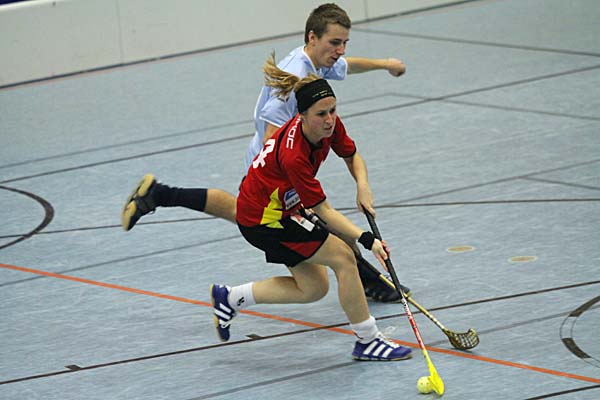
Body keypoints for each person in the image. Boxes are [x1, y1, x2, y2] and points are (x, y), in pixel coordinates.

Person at [121, 3, 409, 301]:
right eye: (335, 42)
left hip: (267, 161)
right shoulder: (296, 75)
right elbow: (274, 135)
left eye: (344, 43)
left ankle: (159, 194)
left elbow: (347, 65)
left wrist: (385, 64)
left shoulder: (316, 60)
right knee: (324, 225)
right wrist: (295, 192)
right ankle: (370, 282)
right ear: (313, 37)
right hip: (272, 167)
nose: (341, 50)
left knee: (240, 212)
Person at [211, 54, 412, 361]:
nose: (329, 119)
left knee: (313, 288)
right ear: (302, 115)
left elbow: (352, 155)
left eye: (333, 110)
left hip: (282, 207)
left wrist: (363, 185)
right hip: (264, 220)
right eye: (321, 114)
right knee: (344, 257)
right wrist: (367, 240)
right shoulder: (294, 155)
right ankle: (368, 340)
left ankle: (230, 297)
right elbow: (325, 211)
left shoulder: (328, 125)